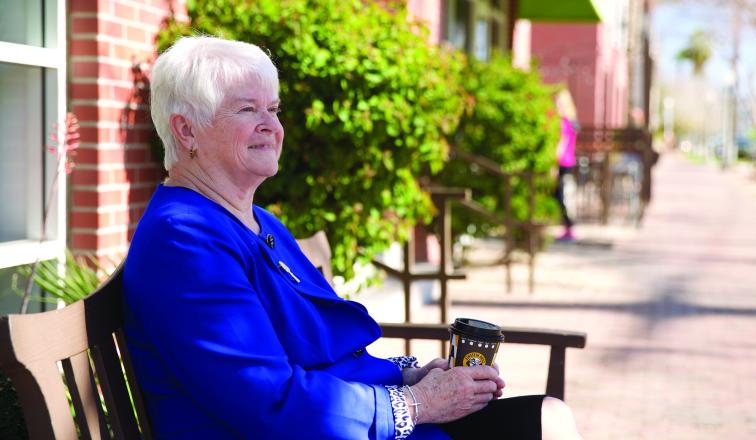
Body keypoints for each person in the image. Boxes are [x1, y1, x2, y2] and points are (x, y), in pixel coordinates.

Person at [123, 36, 582, 440]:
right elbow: (269, 402)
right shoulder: (182, 239)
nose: (272, 126)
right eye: (248, 109)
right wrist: (419, 404)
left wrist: (414, 378)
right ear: (186, 131)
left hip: (340, 422)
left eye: (274, 110)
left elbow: (322, 355)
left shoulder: (255, 219)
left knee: (549, 418)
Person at [554, 92, 578, 242]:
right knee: (563, 195)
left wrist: (554, 164)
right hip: (569, 162)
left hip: (563, 163)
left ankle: (569, 227)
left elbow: (561, 146)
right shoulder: (571, 122)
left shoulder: (564, 122)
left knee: (561, 196)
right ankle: (568, 227)